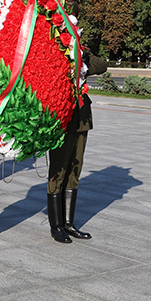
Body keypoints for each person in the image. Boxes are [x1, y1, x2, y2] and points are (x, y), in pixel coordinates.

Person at [46, 15, 108, 243]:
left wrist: (81, 62)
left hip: (81, 118)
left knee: (75, 170)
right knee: (59, 170)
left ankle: (69, 223)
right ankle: (56, 225)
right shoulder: (54, 49)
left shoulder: (81, 50)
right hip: (61, 117)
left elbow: (102, 65)